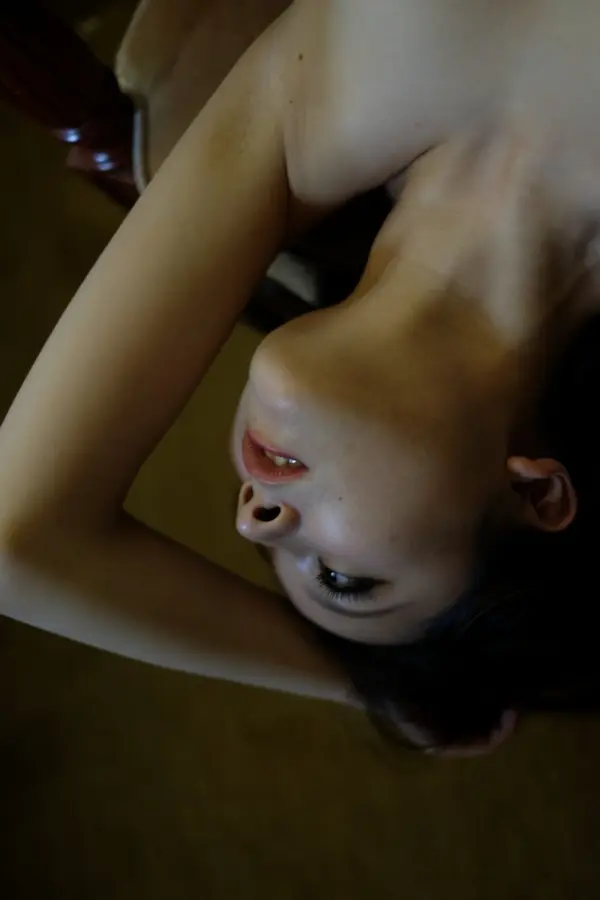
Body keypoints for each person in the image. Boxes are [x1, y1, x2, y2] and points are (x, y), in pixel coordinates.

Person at [2, 0, 600, 754]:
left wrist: (384, 693)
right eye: (343, 579)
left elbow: (17, 542)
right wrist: (410, 694)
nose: (254, 518)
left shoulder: (292, 127)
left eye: (265, 537)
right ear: (535, 493)